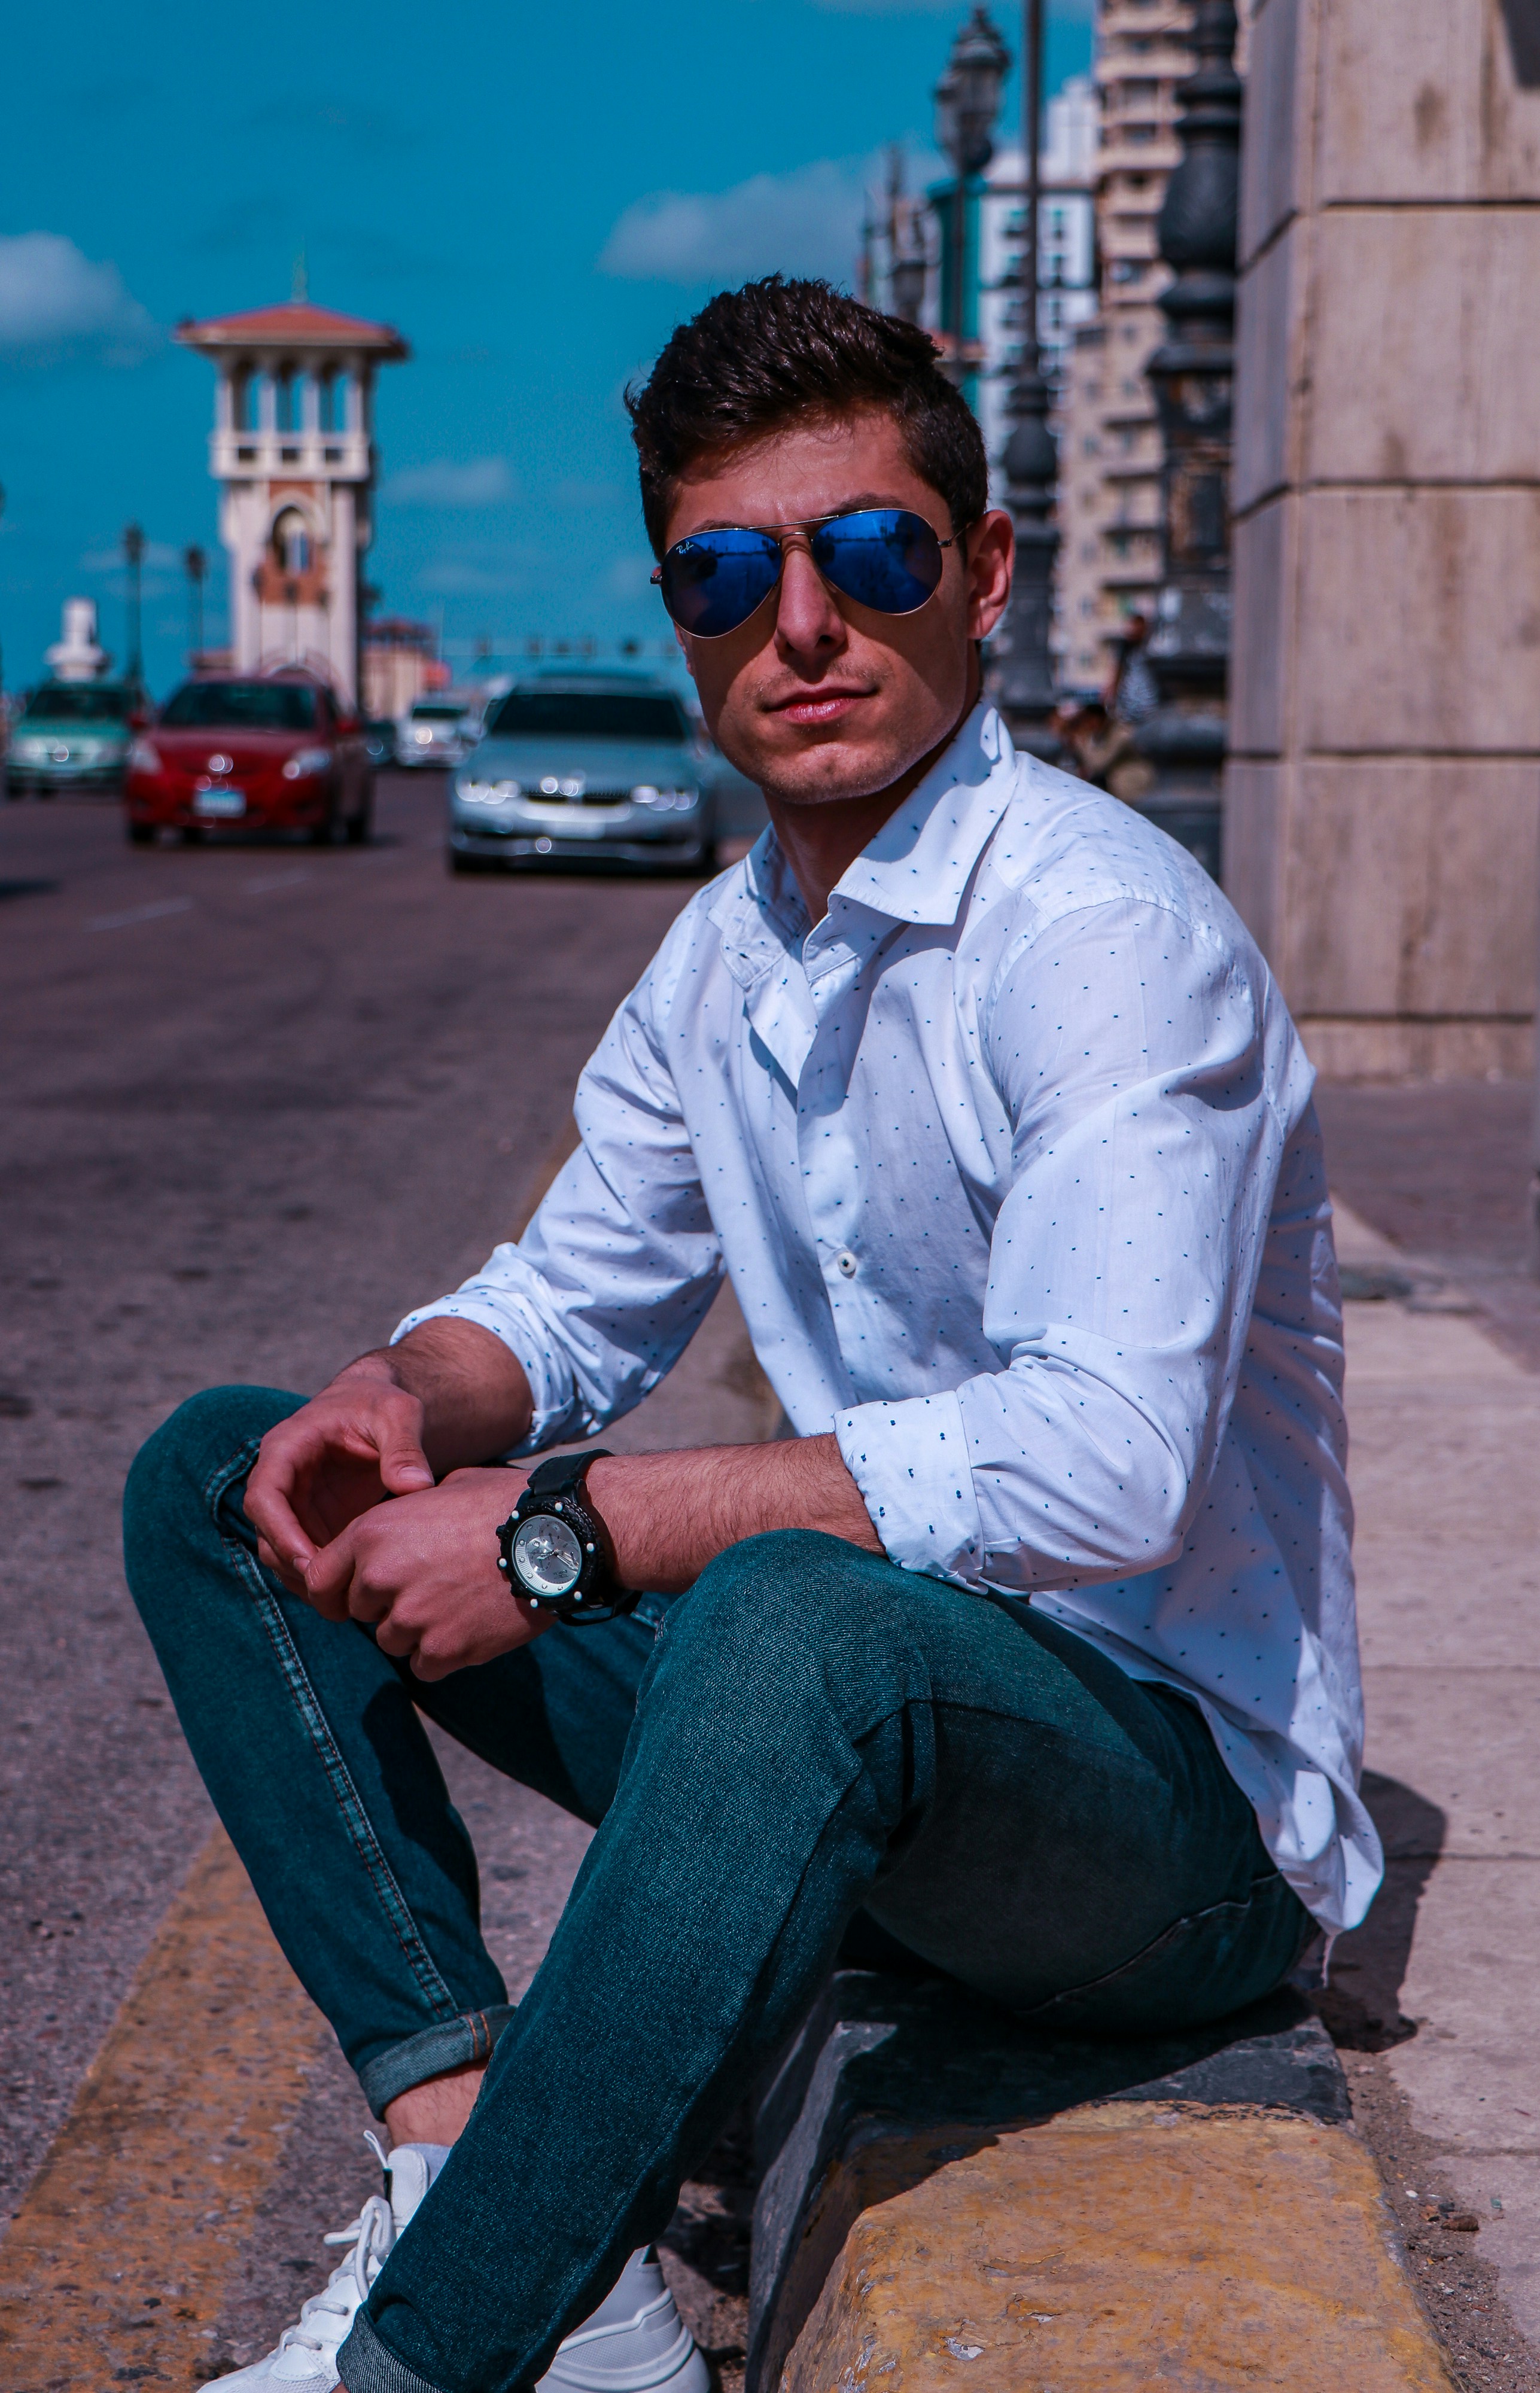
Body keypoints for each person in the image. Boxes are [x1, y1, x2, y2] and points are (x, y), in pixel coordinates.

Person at [124, 276, 1381, 2393]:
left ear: (981, 576)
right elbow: (569, 1292)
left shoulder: (1101, 937)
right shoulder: (735, 954)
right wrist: (404, 1396)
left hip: (1167, 1832)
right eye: (726, 573)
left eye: (866, 554)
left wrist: (563, 1535)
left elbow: (1101, 1462)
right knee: (224, 1475)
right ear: (681, 615)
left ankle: (432, 2359)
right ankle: (502, 2209)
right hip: (862, 1756)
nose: (799, 624)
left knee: (793, 1608)